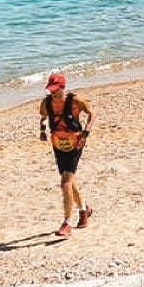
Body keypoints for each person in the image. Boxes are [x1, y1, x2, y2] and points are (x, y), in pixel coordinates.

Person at [36, 71, 94, 238]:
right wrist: (42, 130)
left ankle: (67, 222)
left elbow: (91, 114)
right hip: (58, 144)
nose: (53, 93)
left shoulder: (76, 101)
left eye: (56, 90)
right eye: (50, 90)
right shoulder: (45, 103)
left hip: (75, 143)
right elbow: (43, 118)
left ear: (63, 87)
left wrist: (85, 134)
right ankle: (84, 210)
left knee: (65, 182)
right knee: (68, 181)